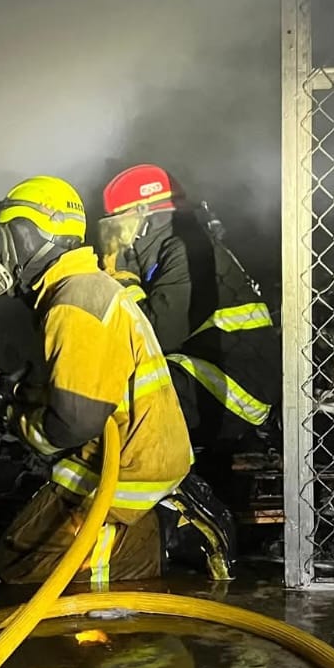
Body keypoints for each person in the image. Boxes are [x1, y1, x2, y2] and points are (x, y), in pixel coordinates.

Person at [0, 175, 192, 589]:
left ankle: (168, 536)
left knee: (22, 565)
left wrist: (14, 420)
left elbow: (71, 425)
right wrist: (9, 390)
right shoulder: (79, 287)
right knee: (18, 540)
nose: (4, 252)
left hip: (132, 469)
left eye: (10, 237)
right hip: (127, 452)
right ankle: (153, 527)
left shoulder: (74, 301)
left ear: (37, 237)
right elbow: (76, 386)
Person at [95, 164, 279, 454]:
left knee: (123, 389)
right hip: (212, 375)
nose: (115, 236)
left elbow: (157, 336)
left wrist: (124, 280)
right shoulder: (167, 249)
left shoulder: (189, 250)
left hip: (236, 389)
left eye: (120, 222)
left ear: (145, 214)